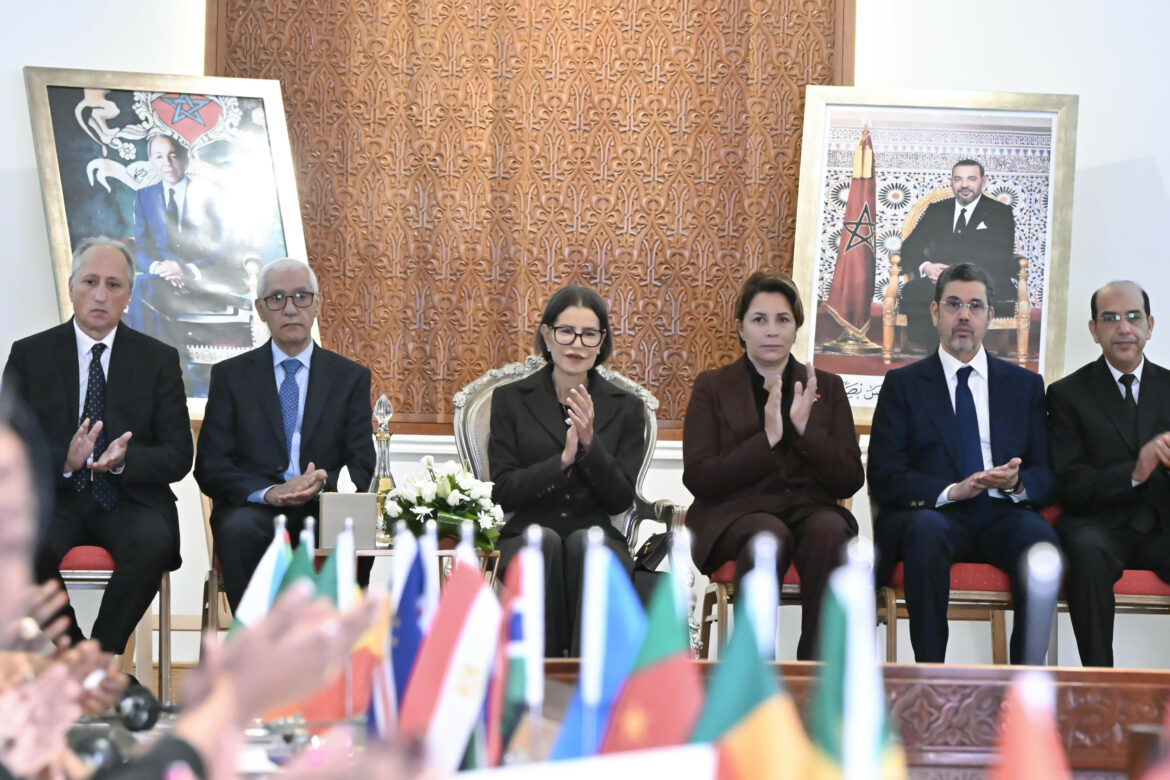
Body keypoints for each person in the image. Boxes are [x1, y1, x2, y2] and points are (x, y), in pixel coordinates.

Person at [2, 237, 192, 655]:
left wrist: (125, 462)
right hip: (55, 499)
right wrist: (64, 461)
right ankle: (77, 657)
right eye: (90, 281)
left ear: (128, 295)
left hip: (130, 502)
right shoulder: (30, 356)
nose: (101, 295)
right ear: (71, 286)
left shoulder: (157, 360)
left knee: (154, 542)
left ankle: (100, 657)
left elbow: (179, 455)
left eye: (114, 284)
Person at [870, 262, 1058, 664]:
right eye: (953, 304)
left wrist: (1016, 483)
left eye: (975, 306)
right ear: (935, 313)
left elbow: (1046, 472)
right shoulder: (903, 384)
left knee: (1043, 546)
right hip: (938, 514)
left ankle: (1024, 684)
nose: (964, 315)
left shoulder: (1024, 385)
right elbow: (884, 477)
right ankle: (931, 677)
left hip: (1002, 513)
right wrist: (951, 491)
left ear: (991, 316)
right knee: (924, 532)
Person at [683, 270, 861, 660]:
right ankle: (753, 673)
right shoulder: (712, 386)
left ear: (796, 327)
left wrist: (803, 431)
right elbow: (699, 476)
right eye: (759, 320)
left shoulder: (827, 388)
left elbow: (849, 478)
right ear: (741, 328)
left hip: (808, 510)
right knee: (767, 536)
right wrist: (766, 439)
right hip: (736, 515)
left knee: (831, 530)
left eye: (783, 319)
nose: (771, 330)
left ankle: (818, 672)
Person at [195, 257, 375, 610]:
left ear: (318, 304)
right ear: (261, 310)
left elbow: (362, 465)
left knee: (357, 528)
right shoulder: (231, 377)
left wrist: (318, 483)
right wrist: (271, 492)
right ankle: (257, 649)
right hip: (257, 508)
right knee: (238, 531)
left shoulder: (350, 378)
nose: (290, 308)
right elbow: (211, 468)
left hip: (323, 506)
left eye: (301, 297)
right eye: (277, 298)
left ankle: (337, 651)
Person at [488, 286, 645, 657]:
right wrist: (561, 462)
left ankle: (582, 682)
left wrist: (590, 445)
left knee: (585, 543)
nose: (577, 343)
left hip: (597, 537)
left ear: (601, 341)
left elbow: (620, 499)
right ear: (546, 334)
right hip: (524, 535)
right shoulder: (511, 399)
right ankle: (534, 682)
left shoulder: (626, 408)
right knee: (541, 542)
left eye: (589, 334)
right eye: (566, 331)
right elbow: (502, 491)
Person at [1047, 281, 1170, 667]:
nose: (1124, 328)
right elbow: (1069, 484)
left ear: (1149, 326)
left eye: (1134, 317)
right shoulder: (1067, 394)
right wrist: (1136, 471)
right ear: (1094, 329)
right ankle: (1098, 685)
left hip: (1162, 525)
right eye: (1111, 318)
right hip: (1097, 524)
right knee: (1086, 553)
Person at [898, 159, 1017, 348]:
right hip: (937, 283)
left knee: (957, 296)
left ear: (983, 181)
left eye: (971, 179)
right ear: (952, 182)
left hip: (982, 280)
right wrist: (926, 267)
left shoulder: (1000, 212)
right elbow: (909, 247)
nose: (964, 185)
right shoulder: (937, 210)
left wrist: (954, 275)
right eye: (958, 179)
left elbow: (1001, 255)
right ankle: (935, 350)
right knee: (914, 290)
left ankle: (961, 349)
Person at [126, 134, 227, 343]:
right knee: (145, 284)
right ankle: (154, 358)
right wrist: (159, 268)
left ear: (184, 159)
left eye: (173, 156)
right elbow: (141, 248)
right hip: (160, 278)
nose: (167, 164)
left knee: (145, 287)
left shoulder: (207, 194)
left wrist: (187, 270)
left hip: (201, 279)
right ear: (152, 162)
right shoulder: (144, 196)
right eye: (159, 157)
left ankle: (153, 360)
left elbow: (223, 249)